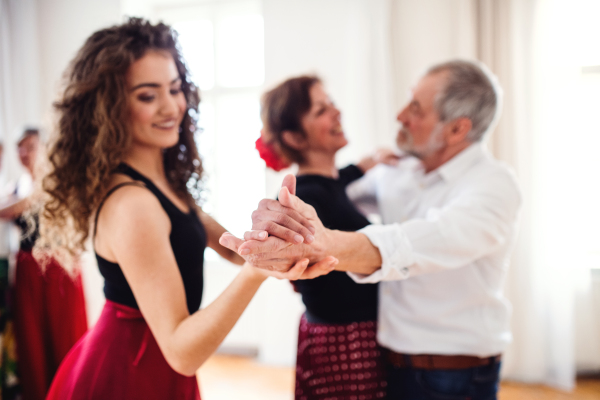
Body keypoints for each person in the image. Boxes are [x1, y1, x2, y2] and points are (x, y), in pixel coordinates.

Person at [39, 18, 334, 400]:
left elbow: (230, 248)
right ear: (109, 107)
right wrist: (255, 273)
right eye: (148, 95)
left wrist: (280, 239)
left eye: (175, 89)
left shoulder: (162, 184)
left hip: (150, 365)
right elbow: (182, 352)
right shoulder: (133, 205)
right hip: (130, 372)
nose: (171, 107)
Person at [223, 60, 522, 400]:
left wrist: (325, 243)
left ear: (457, 130)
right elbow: (331, 195)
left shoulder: (493, 187)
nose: (400, 116)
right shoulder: (399, 170)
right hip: (385, 359)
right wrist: (279, 230)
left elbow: (422, 239)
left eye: (415, 108)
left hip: (452, 372)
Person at [257, 75, 399, 400]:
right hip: (342, 341)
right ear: (294, 136)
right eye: (322, 109)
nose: (337, 112)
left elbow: (343, 178)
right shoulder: (305, 196)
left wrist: (372, 160)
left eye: (332, 103)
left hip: (347, 334)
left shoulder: (330, 184)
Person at [0, 128, 88, 400]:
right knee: (32, 338)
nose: (24, 153)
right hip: (27, 269)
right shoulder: (16, 187)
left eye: (31, 146)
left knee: (66, 335)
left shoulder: (60, 183)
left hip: (59, 267)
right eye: (20, 148)